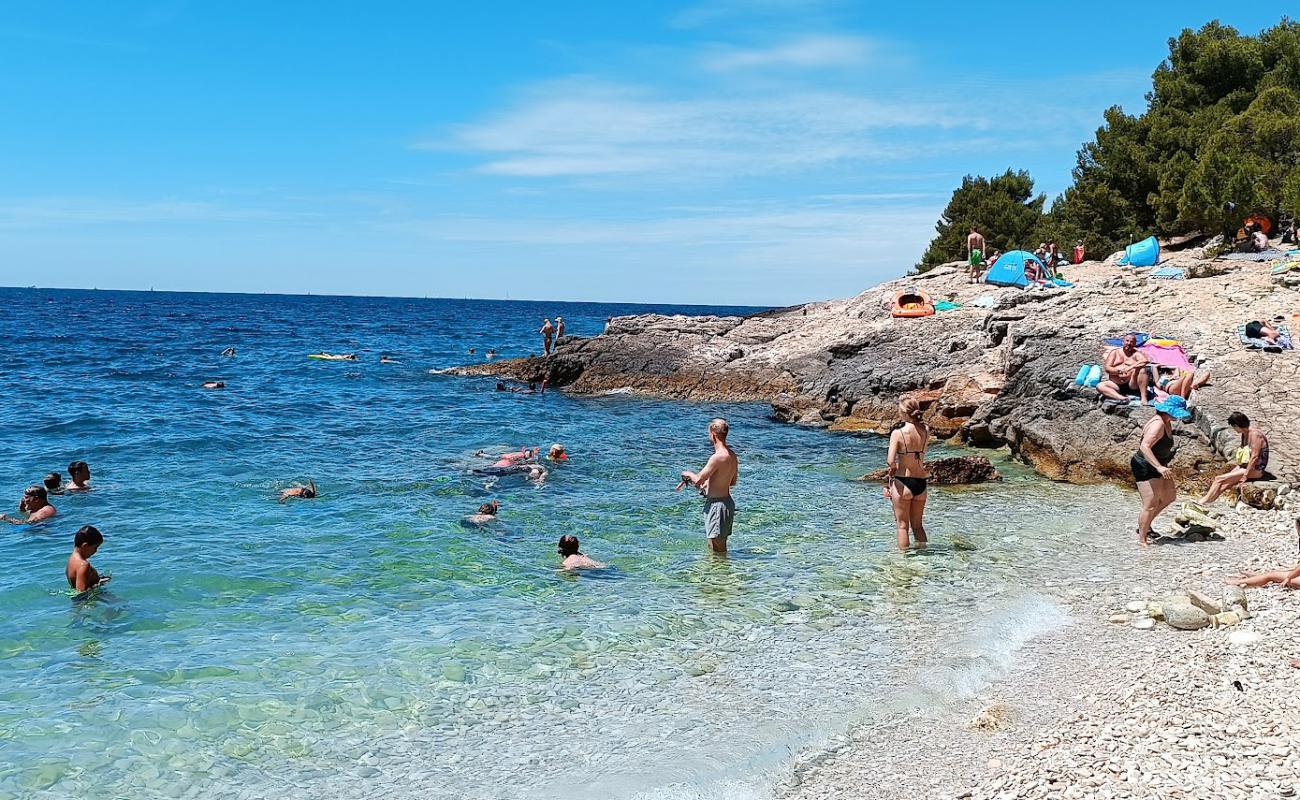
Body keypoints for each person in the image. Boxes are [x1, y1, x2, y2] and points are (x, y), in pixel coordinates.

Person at [1132, 396, 1191, 545]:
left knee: (1169, 496)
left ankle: (1145, 527)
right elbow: (1144, 447)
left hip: (1160, 464)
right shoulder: (1157, 424)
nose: (1178, 416)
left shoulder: (1166, 421)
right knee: (1150, 504)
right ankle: (1142, 540)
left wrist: (1161, 465)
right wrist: (1158, 467)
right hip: (1145, 465)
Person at [677, 418, 739, 554]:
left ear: (713, 434)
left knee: (717, 548)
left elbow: (698, 480)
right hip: (726, 503)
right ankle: (717, 573)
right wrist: (710, 484)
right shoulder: (732, 455)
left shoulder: (717, 457)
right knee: (715, 546)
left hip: (717, 506)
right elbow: (732, 482)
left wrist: (688, 474)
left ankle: (722, 573)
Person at [885, 397, 930, 549]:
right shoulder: (926, 431)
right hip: (921, 483)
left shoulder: (897, 433)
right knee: (918, 526)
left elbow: (890, 461)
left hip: (903, 481)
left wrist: (891, 478)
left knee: (902, 526)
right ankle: (924, 555)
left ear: (903, 413)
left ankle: (904, 563)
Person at [1199, 412, 1269, 505]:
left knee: (1218, 479)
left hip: (1256, 470)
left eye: (1233, 427)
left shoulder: (1255, 435)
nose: (1234, 429)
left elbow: (1254, 457)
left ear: (1237, 425)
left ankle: (1202, 502)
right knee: (1225, 483)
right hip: (1245, 466)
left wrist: (1245, 476)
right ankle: (1210, 501)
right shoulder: (1245, 434)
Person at [1097, 335, 1151, 405]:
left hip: (1132, 384)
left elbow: (1145, 361)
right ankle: (1122, 398)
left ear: (1134, 344)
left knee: (1143, 370)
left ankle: (1144, 397)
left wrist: (1130, 367)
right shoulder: (1115, 352)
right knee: (1100, 386)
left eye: (1132, 342)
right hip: (1116, 384)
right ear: (1123, 342)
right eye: (1127, 341)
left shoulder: (1136, 354)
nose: (1129, 343)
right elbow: (1107, 368)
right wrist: (1119, 371)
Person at [67, 525, 109, 593]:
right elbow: (81, 594)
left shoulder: (71, 559)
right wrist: (97, 585)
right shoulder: (83, 565)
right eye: (95, 547)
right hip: (91, 600)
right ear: (85, 546)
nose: (96, 551)